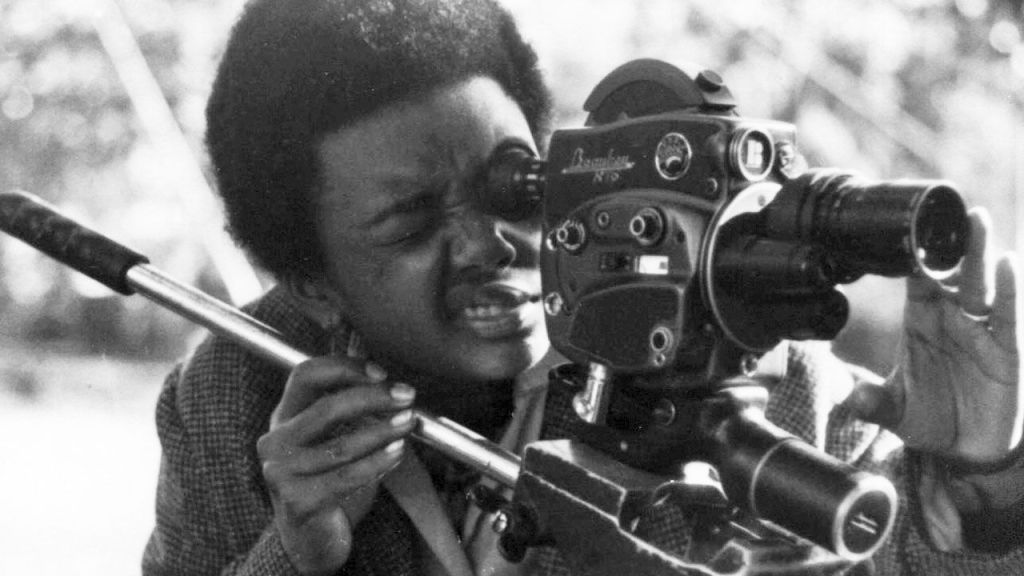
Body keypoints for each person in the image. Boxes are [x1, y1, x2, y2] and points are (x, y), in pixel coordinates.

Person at [141, 0, 1023, 574]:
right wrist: (294, 555)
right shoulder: (229, 398)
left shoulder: (757, 372)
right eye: (412, 223)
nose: (492, 242)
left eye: (516, 184)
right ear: (312, 284)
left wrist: (985, 479)